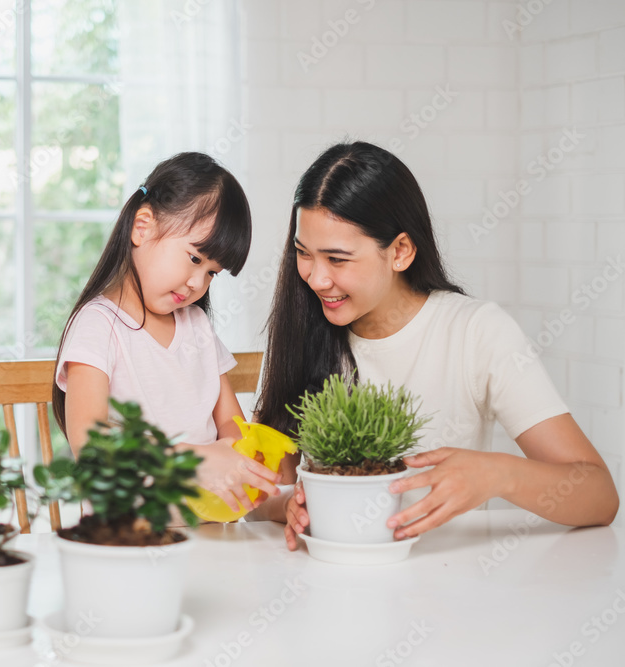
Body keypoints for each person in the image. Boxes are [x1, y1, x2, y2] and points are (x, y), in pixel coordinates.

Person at [249, 141, 619, 549]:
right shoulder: (299, 331)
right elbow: (261, 494)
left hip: (446, 588)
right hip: (327, 579)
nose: (316, 279)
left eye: (337, 260)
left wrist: (498, 475)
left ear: (401, 252)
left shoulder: (477, 332)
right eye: (303, 253)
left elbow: (600, 497)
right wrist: (287, 506)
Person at [53, 151, 281, 513]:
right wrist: (194, 461)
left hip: (205, 534)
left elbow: (229, 421)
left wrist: (232, 453)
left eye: (212, 273)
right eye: (194, 258)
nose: (197, 282)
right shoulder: (98, 326)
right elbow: (90, 447)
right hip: (130, 538)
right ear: (142, 227)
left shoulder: (196, 326)